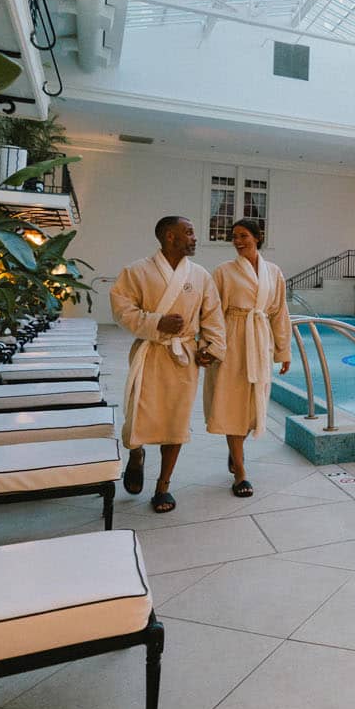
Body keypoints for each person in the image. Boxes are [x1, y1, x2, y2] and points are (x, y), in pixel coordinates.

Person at [111, 215, 225, 513]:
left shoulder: (200, 275)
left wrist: (210, 348)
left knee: (176, 421)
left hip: (182, 357)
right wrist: (156, 321)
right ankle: (136, 455)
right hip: (150, 353)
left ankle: (163, 486)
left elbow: (213, 316)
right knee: (138, 415)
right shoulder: (136, 271)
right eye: (188, 233)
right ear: (170, 237)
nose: (194, 237)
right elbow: (122, 311)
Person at [204, 218, 291, 497]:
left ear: (258, 237)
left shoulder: (274, 272)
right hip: (231, 341)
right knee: (232, 402)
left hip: (259, 339)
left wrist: (283, 350)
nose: (238, 241)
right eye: (234, 237)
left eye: (243, 236)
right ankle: (240, 471)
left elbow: (279, 313)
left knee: (251, 405)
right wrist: (209, 345)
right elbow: (211, 312)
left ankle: (235, 450)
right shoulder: (223, 271)